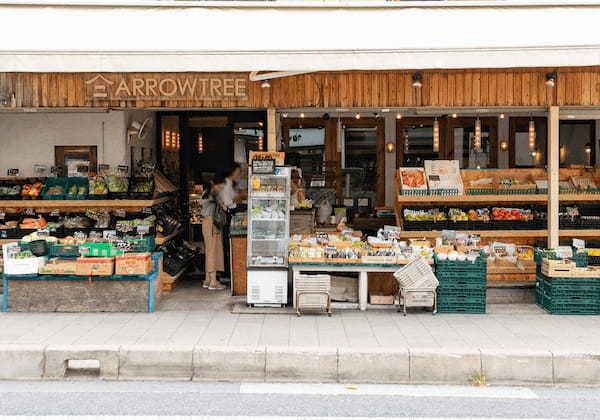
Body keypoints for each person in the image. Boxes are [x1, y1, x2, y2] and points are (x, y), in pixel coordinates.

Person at [218, 163, 248, 282]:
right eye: (238, 172)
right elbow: (227, 201)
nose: (239, 174)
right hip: (228, 214)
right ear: (232, 172)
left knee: (229, 242)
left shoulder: (230, 183)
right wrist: (241, 195)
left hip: (232, 211)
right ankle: (227, 272)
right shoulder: (226, 184)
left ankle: (229, 271)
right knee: (228, 243)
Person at [200, 175, 227, 290]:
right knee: (213, 252)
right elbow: (225, 207)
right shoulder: (214, 193)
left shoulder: (205, 192)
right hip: (213, 224)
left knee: (208, 250)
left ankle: (207, 279)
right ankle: (213, 282)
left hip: (205, 222)